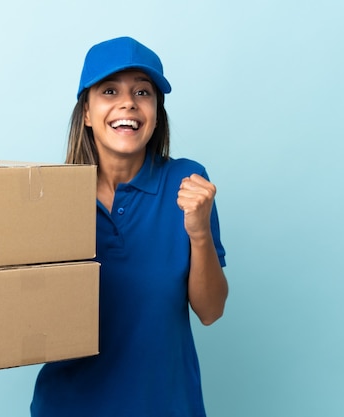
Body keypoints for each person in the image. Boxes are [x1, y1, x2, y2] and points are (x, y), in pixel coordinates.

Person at [30, 36, 228, 417]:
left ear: (156, 111)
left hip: (166, 406)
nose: (128, 103)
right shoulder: (51, 199)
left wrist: (199, 232)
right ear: (86, 112)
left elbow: (211, 310)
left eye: (143, 91)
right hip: (69, 406)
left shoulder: (187, 183)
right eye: (109, 90)